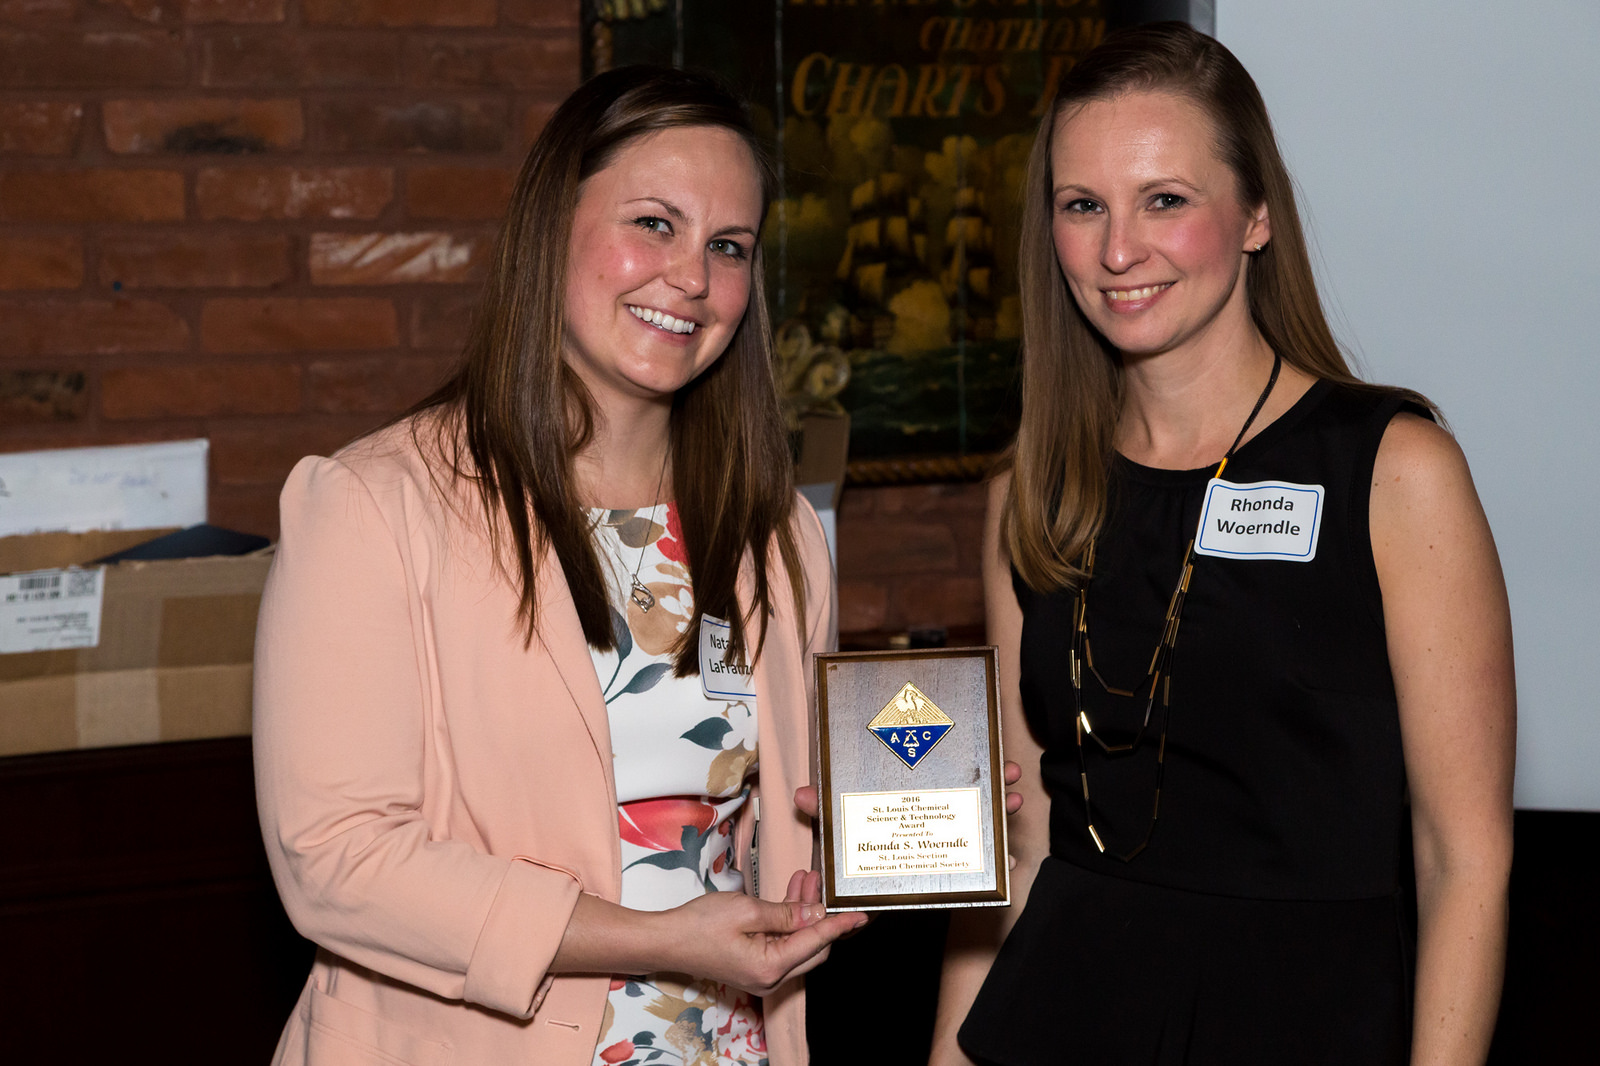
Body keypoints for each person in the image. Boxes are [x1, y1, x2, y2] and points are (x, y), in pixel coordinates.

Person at [253, 66, 865, 1066]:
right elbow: (338, 860)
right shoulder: (372, 506)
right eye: (654, 224)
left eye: (728, 246)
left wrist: (906, 819)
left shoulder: (775, 529)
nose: (691, 277)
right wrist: (656, 938)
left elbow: (764, 833)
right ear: (552, 228)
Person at [932, 22, 1514, 1066]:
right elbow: (1016, 854)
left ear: (1254, 215)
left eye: (1164, 199)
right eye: (1082, 205)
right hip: (1053, 1023)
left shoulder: (1394, 470)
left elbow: (1463, 857)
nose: (1118, 250)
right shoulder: (1031, 491)